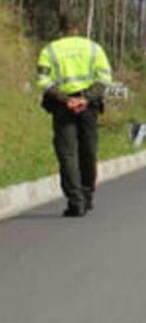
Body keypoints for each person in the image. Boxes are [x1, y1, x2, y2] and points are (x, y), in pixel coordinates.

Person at [36, 13, 113, 217]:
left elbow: (44, 81)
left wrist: (66, 100)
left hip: (63, 107)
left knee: (67, 154)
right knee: (88, 151)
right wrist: (85, 99)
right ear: (79, 28)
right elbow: (104, 79)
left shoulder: (49, 51)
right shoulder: (94, 48)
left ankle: (75, 201)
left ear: (60, 29)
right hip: (88, 107)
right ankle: (87, 196)